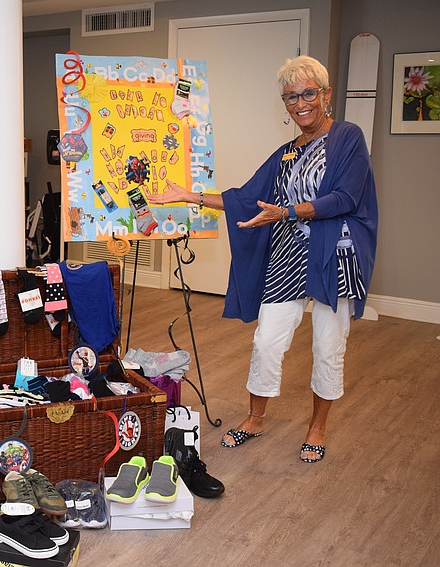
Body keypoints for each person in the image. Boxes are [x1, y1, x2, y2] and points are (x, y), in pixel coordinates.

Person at [149, 56, 378, 463]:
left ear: (326, 94)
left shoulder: (348, 137)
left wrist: (287, 212)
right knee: (267, 340)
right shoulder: (286, 153)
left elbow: (345, 198)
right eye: (291, 97)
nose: (300, 103)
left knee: (328, 346)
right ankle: (255, 418)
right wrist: (189, 196)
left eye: (308, 93)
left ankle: (317, 427)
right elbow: (246, 198)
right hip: (289, 254)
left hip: (334, 256)